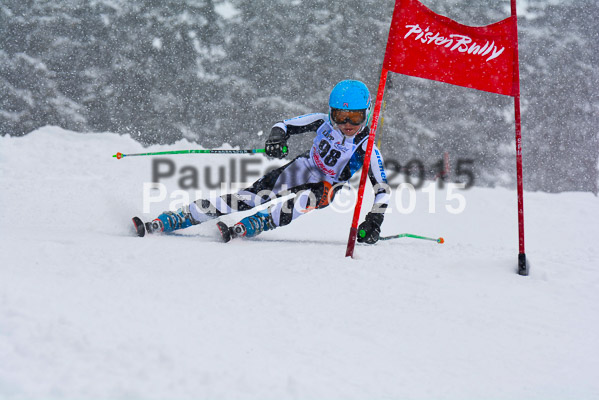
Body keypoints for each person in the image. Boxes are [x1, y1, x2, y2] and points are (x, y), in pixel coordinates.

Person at [137, 80, 390, 243]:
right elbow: (283, 125)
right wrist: (277, 138)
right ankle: (179, 217)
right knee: (251, 197)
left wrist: (374, 219)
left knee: (307, 199)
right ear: (330, 112)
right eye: (340, 116)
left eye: (355, 118)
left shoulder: (367, 147)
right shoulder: (321, 121)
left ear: (367, 113)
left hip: (328, 186)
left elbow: (382, 191)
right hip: (303, 168)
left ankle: (262, 221)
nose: (347, 124)